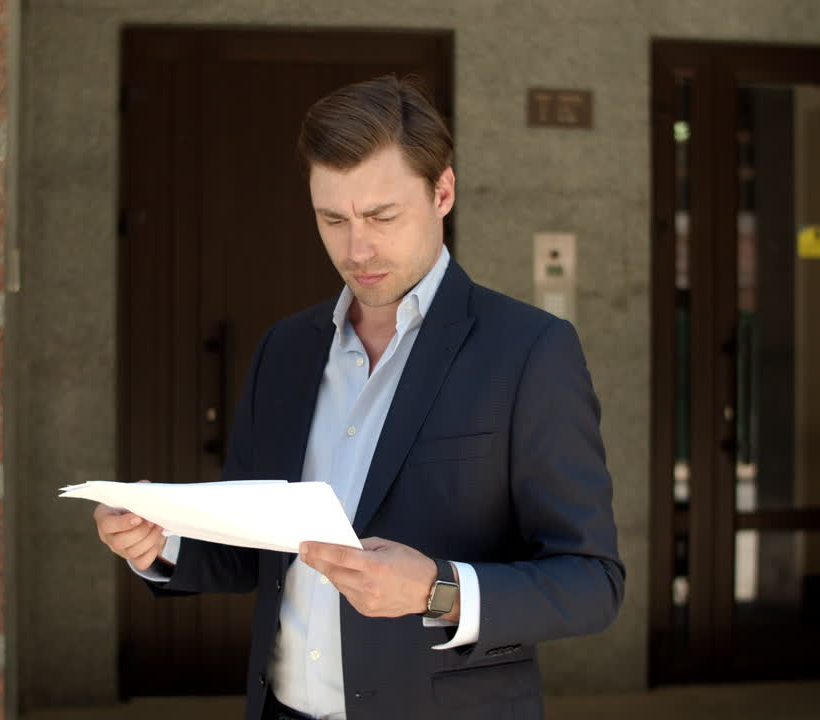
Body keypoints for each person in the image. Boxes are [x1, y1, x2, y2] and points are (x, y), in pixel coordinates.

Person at [94, 74, 624, 720]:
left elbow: (592, 582)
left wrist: (438, 589)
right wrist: (160, 542)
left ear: (443, 192)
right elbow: (255, 552)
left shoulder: (530, 352)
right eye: (333, 219)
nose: (357, 248)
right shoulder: (283, 351)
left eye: (381, 216)